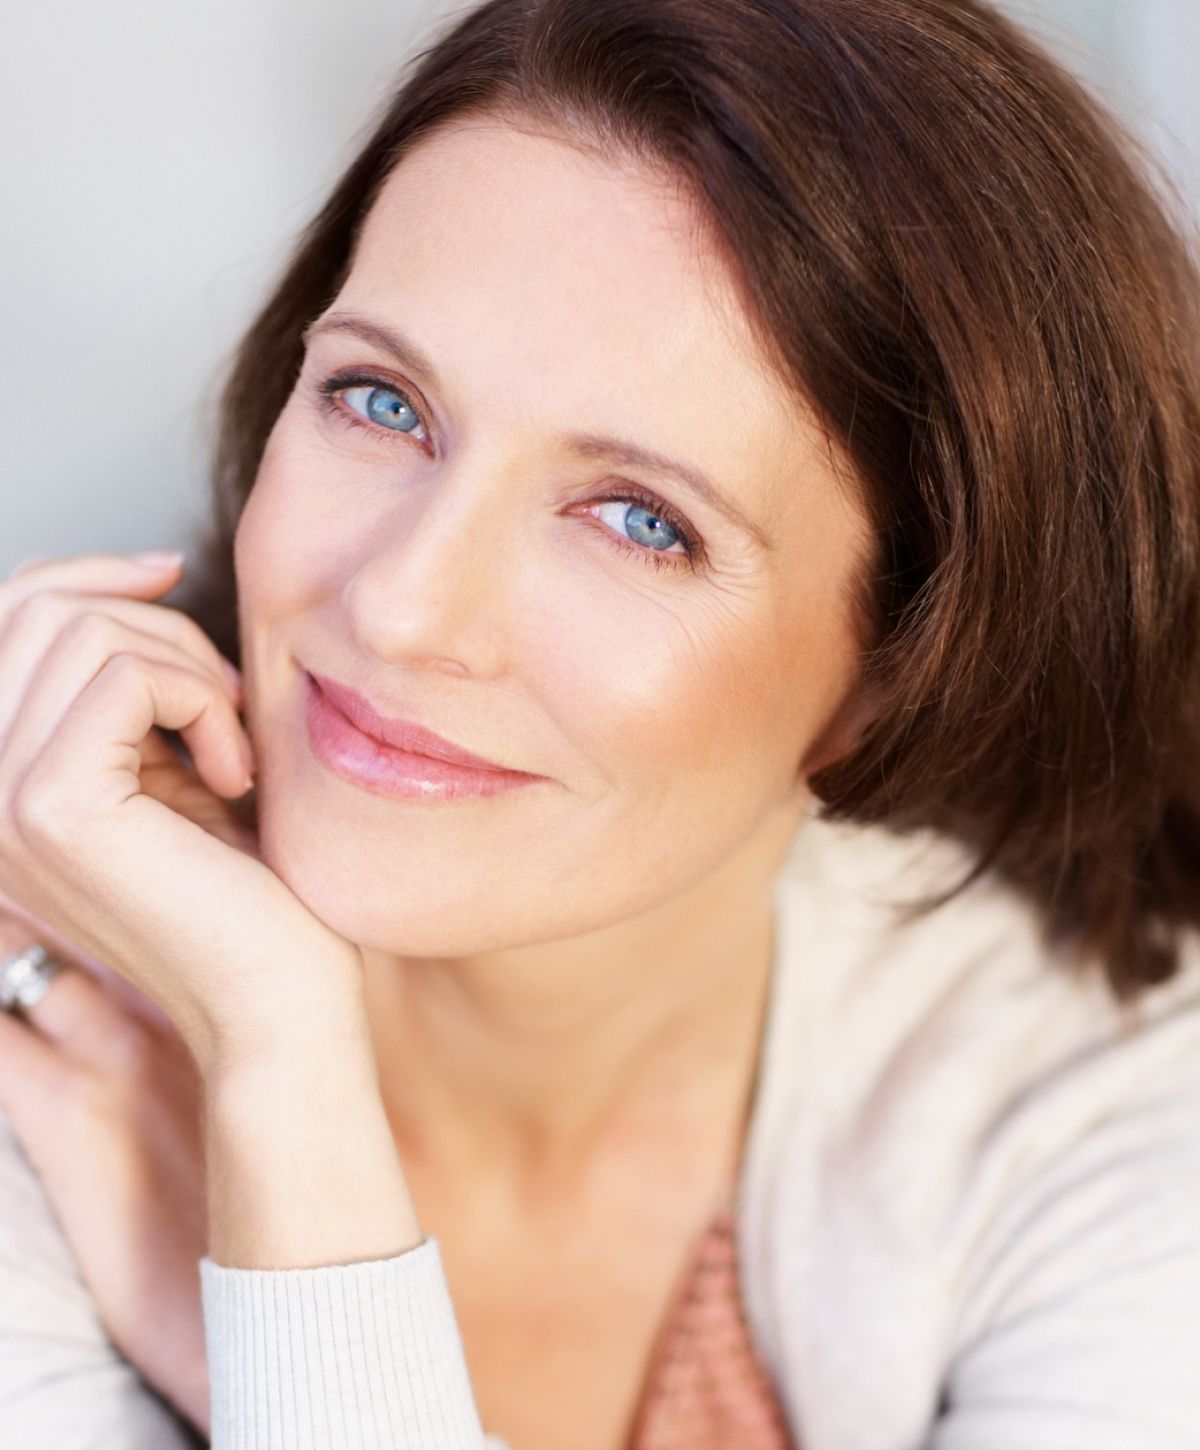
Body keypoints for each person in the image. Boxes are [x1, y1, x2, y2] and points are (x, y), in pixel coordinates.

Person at [2, 0, 1200, 1446]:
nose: (400, 609)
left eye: (640, 520)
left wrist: (280, 1158)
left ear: (908, 661)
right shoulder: (49, 1072)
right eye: (380, 400)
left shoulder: (1086, 1095)